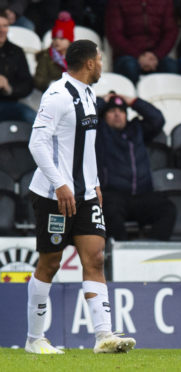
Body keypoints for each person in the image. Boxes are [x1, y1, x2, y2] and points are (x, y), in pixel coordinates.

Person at [26, 39, 136, 354]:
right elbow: (37, 143)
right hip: (53, 195)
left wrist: (95, 181)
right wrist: (60, 183)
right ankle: (34, 339)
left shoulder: (89, 94)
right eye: (100, 59)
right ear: (90, 63)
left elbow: (84, 148)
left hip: (85, 193)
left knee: (96, 257)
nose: (102, 64)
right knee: (50, 262)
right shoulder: (58, 95)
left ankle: (103, 336)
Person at [95, 93, 177, 241]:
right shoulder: (99, 131)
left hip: (141, 195)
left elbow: (157, 119)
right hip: (113, 195)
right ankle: (120, 252)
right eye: (112, 111)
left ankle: (151, 249)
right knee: (108, 209)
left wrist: (133, 101)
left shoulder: (137, 129)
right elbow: (83, 117)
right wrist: (102, 101)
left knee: (167, 208)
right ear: (104, 116)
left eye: (121, 111)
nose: (117, 114)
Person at [105, 0, 178, 84]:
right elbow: (114, 35)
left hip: (156, 56)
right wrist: (139, 56)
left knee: (170, 66)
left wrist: (156, 55)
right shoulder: (116, 2)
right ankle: (131, 97)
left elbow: (171, 32)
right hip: (127, 55)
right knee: (130, 66)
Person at [0, 10, 36, 124]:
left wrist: (9, 88)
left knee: (33, 118)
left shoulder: (16, 51)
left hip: (9, 103)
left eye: (5, 26)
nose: (2, 30)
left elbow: (27, 84)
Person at [33, 11, 74, 92]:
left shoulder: (77, 56)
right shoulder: (46, 56)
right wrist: (53, 83)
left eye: (62, 39)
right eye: (55, 38)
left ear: (70, 41)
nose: (57, 41)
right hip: (52, 93)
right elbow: (39, 80)